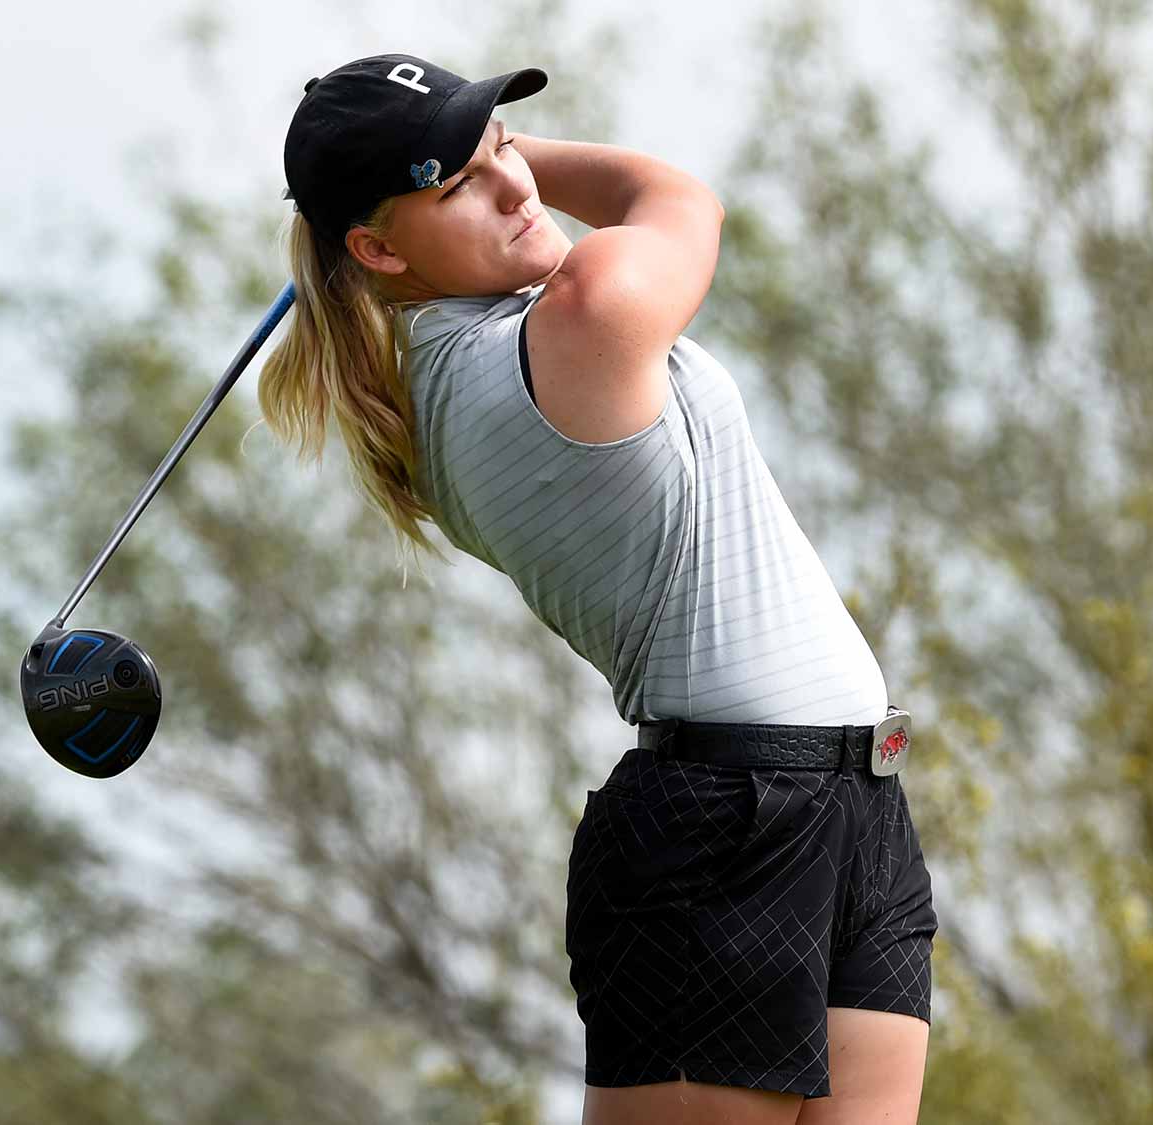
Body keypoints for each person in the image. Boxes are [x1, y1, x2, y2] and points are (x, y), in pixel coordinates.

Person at [258, 53, 939, 1125]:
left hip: (853, 802)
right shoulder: (570, 320)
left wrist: (463, 142)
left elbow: (616, 209)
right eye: (461, 185)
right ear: (378, 248)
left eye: (505, 152)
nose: (515, 188)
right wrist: (511, 145)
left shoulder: (468, 354)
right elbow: (673, 202)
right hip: (723, 825)